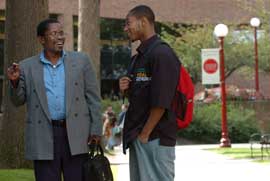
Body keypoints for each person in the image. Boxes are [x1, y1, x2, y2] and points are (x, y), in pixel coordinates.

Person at [7, 19, 102, 181]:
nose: (60, 37)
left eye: (61, 33)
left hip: (76, 133)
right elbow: (18, 101)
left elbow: (93, 98)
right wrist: (15, 82)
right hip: (43, 134)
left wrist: (96, 129)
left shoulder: (81, 61)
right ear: (41, 39)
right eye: (54, 33)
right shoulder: (26, 67)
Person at [119, 5, 180, 181]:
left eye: (128, 23)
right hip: (140, 137)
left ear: (143, 22)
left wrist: (145, 133)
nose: (125, 28)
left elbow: (162, 101)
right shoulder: (138, 58)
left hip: (155, 138)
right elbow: (140, 98)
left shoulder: (162, 54)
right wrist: (126, 89)